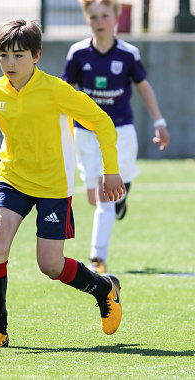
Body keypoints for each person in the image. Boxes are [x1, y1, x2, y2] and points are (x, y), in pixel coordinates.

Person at [0, 18, 126, 348]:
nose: (10, 63)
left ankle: (104, 288)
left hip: (53, 186)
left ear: (36, 55)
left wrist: (111, 170)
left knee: (50, 265)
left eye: (18, 55)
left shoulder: (56, 90)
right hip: (14, 180)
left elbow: (102, 122)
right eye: (3, 55)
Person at [62, 0, 170, 274]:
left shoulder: (128, 54)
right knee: (93, 197)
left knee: (104, 197)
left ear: (115, 18)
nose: (100, 21)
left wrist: (159, 121)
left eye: (104, 16)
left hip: (120, 133)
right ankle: (119, 197)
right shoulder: (77, 53)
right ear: (87, 19)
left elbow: (144, 87)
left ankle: (97, 258)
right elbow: (63, 92)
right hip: (85, 135)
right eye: (94, 16)